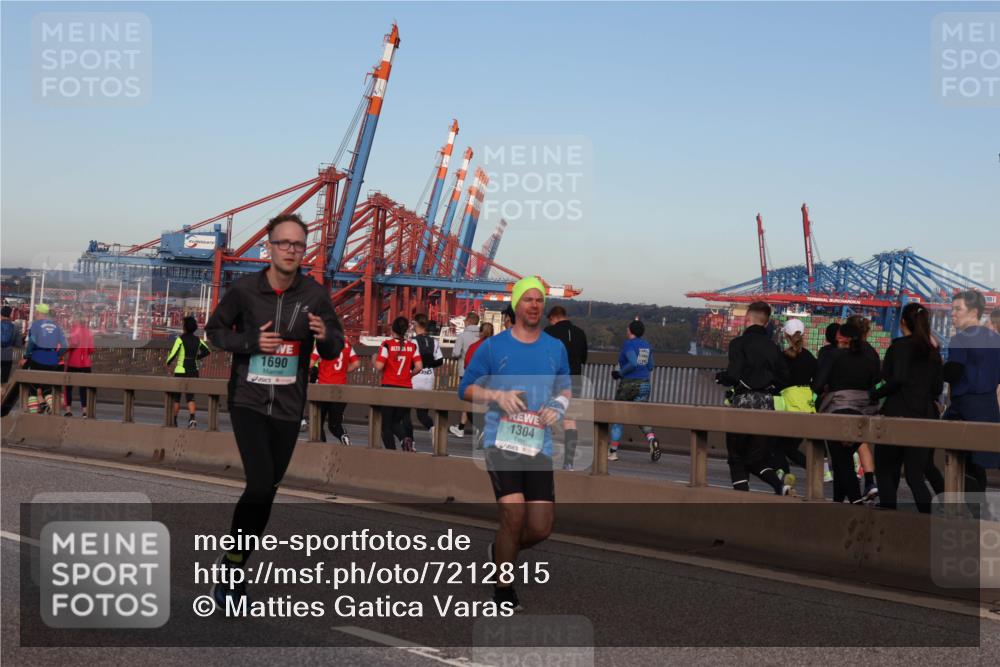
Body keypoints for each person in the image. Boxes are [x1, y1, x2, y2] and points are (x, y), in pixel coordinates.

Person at [206, 213, 344, 610]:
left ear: (304, 251)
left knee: (268, 493)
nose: (290, 250)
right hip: (247, 400)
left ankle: (236, 561)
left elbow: (334, 347)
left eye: (298, 245)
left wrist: (325, 335)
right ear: (269, 247)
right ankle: (233, 572)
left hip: (288, 405)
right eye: (283, 243)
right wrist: (251, 341)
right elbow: (214, 332)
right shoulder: (245, 291)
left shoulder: (315, 296)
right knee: (261, 485)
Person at [458, 276, 570, 612]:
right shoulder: (494, 347)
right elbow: (465, 388)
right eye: (528, 299)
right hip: (501, 441)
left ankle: (499, 552)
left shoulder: (556, 348)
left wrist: (558, 408)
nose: (535, 305)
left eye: (539, 300)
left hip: (538, 444)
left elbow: (565, 387)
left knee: (540, 527)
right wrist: (496, 395)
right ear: (516, 305)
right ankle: (504, 589)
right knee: (513, 514)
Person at [870, 303, 942, 513]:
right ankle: (928, 519)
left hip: (897, 413)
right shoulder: (934, 351)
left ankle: (888, 517)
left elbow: (896, 378)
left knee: (884, 470)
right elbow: (937, 387)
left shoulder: (898, 347)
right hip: (925, 416)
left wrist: (874, 395)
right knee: (914, 476)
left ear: (902, 322)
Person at [715, 302, 792, 495]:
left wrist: (721, 377)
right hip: (766, 404)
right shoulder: (773, 347)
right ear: (765, 323)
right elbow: (785, 378)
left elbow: (733, 375)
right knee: (756, 458)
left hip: (743, 403)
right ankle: (780, 486)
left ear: (747, 319)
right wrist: (768, 387)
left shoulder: (738, 344)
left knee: (736, 456)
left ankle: (741, 499)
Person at [812, 323, 881, 504]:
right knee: (845, 460)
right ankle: (839, 504)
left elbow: (818, 385)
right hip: (864, 411)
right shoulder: (869, 355)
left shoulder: (834, 356)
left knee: (842, 462)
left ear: (842, 337)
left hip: (838, 409)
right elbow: (877, 380)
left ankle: (855, 503)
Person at [943, 290, 1000, 498]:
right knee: (980, 465)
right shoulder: (995, 339)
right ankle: (980, 513)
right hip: (990, 408)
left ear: (974, 312)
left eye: (957, 309)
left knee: (961, 464)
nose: (953, 314)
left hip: (964, 409)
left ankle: (966, 516)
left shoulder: (960, 339)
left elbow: (953, 372)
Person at [771, 319, 817, 489]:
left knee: (777, 445)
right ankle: (813, 469)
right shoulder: (811, 358)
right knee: (790, 447)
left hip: (787, 407)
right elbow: (817, 382)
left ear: (786, 335)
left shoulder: (782, 357)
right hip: (806, 408)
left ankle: (784, 474)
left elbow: (776, 381)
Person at [608, 320, 661, 462]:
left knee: (617, 419)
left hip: (628, 385)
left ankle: (613, 452)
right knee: (640, 416)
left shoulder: (628, 344)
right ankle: (651, 439)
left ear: (630, 330)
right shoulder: (646, 346)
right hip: (644, 385)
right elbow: (650, 366)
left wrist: (620, 374)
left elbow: (632, 362)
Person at [545, 306, 588, 471]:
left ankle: (543, 457)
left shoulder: (549, 332)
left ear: (554, 318)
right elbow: (584, 358)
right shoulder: (580, 333)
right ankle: (568, 462)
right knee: (570, 420)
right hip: (575, 380)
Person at [375, 316, 423, 451]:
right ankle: (404, 438)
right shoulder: (412, 346)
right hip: (406, 388)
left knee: (386, 426)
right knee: (396, 421)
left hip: (389, 387)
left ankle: (392, 453)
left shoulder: (387, 344)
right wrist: (409, 375)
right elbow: (419, 366)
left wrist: (374, 359)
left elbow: (379, 366)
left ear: (393, 329)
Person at [845, 315, 879, 500]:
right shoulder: (872, 352)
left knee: (845, 448)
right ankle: (869, 481)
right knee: (862, 442)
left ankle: (851, 492)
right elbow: (877, 378)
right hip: (868, 401)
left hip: (846, 402)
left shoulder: (845, 351)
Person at [310, 335, 361, 444]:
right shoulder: (347, 345)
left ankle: (322, 447)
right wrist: (343, 370)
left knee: (318, 424)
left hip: (323, 388)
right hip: (341, 389)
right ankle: (343, 435)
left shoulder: (322, 344)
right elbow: (356, 363)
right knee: (334, 425)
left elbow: (310, 363)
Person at [165, 315, 212, 428]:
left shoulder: (180, 339)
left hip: (181, 370)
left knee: (177, 397)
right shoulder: (198, 340)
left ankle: (174, 420)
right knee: (190, 397)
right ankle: (192, 419)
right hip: (193, 371)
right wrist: (197, 357)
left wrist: (167, 363)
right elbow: (208, 351)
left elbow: (173, 354)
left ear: (184, 327)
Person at [21, 304, 68, 414]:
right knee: (47, 390)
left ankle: (33, 417)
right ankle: (53, 412)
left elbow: (31, 343)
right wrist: (56, 356)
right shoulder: (57, 327)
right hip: (51, 361)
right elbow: (65, 345)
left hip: (37, 359)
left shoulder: (36, 326)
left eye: (36, 313)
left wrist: (26, 357)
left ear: (39, 313)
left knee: (32, 390)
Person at [411, 314, 444, 437]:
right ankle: (432, 428)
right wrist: (428, 365)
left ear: (416, 325)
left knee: (404, 410)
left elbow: (411, 361)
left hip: (415, 378)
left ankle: (408, 440)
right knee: (422, 413)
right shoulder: (434, 342)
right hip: (429, 378)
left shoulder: (413, 342)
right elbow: (440, 361)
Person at [450, 312, 480, 437]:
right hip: (479, 373)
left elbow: (455, 353)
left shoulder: (462, 336)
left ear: (468, 321)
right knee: (473, 400)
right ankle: (462, 427)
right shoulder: (481, 336)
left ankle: (477, 427)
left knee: (466, 399)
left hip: (464, 371)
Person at [62, 313, 95, 418]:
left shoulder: (74, 330)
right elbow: (91, 350)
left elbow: (74, 343)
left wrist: (65, 350)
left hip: (74, 363)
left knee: (68, 387)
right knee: (83, 388)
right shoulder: (89, 332)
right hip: (86, 364)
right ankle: (84, 411)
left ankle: (68, 410)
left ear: (76, 320)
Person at [1, 306, 24, 385]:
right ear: (10, 315)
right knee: (4, 379)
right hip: (8, 355)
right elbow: (18, 344)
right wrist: (20, 358)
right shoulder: (15, 327)